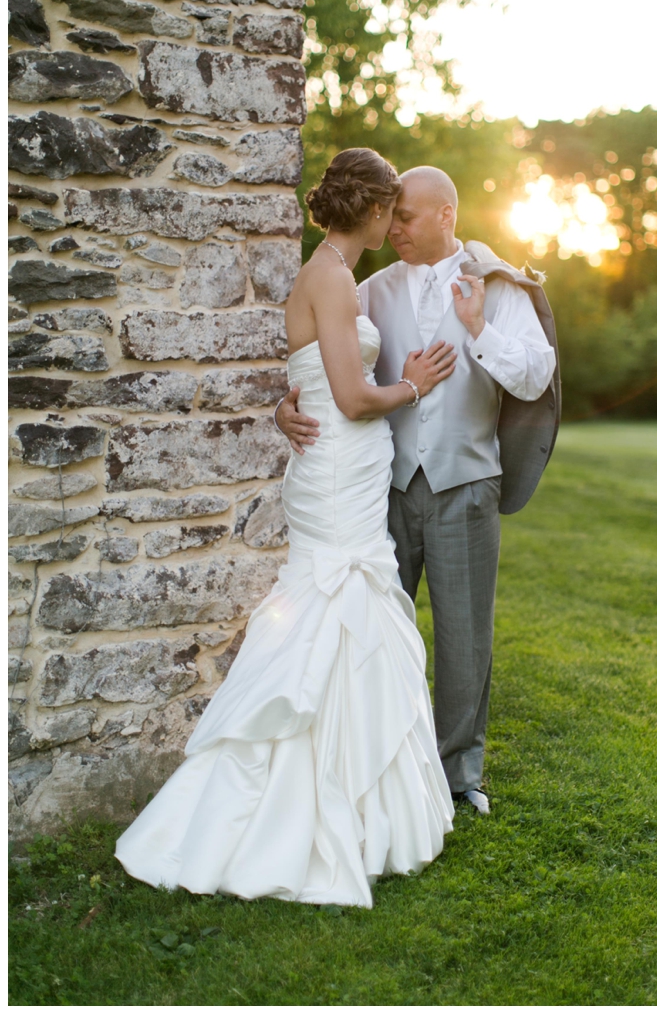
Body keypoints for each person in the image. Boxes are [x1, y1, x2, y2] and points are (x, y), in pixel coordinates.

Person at [115, 149, 457, 908]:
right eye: (390, 211)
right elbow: (348, 395)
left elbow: (305, 380)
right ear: (371, 212)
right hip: (338, 469)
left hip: (343, 471)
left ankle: (357, 795)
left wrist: (282, 407)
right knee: (333, 612)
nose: (393, 222)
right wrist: (414, 384)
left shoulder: (328, 274)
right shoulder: (331, 277)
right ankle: (298, 805)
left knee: (345, 613)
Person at [277, 165, 558, 815]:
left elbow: (536, 373)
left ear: (445, 217)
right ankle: (377, 762)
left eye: (405, 216)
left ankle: (459, 776)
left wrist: (480, 329)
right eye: (389, 215)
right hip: (384, 487)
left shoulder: (499, 287)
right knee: (377, 630)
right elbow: (324, 365)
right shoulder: (367, 288)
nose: (391, 226)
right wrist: (282, 409)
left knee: (466, 639)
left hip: (466, 482)